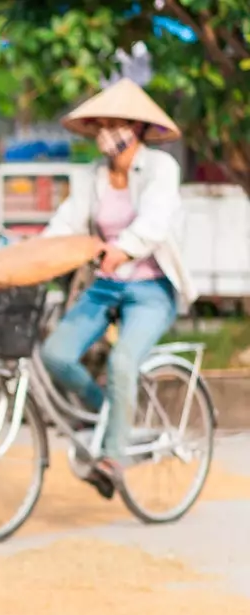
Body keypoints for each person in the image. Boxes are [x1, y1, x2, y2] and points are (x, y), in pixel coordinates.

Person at [40, 79, 196, 495]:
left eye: (117, 123)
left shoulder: (161, 168)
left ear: (137, 128)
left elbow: (155, 221)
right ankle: (109, 413)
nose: (107, 133)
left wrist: (123, 249)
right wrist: (33, 253)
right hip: (104, 286)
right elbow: (66, 223)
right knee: (55, 354)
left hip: (151, 290)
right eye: (102, 125)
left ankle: (113, 458)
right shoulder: (91, 176)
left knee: (123, 362)